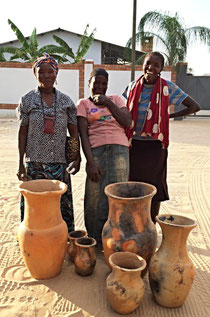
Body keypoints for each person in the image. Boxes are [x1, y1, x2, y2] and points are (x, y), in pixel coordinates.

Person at [124, 51, 200, 223]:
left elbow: (194, 106)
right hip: (133, 145)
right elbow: (122, 109)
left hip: (155, 147)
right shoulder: (132, 87)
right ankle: (134, 224)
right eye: (148, 63)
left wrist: (169, 117)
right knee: (132, 186)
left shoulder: (168, 88)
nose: (151, 68)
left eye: (156, 65)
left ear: (161, 69)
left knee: (155, 187)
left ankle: (151, 224)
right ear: (142, 64)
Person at [16, 53, 80, 233]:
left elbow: (74, 133)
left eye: (50, 71)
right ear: (35, 74)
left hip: (60, 163)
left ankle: (63, 239)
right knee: (35, 205)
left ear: (56, 73)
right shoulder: (27, 100)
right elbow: (23, 133)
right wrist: (21, 164)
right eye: (41, 72)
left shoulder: (66, 102)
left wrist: (77, 157)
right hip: (35, 163)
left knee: (61, 206)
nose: (46, 76)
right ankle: (32, 238)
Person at [77, 68, 132, 246]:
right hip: (97, 151)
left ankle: (114, 239)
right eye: (96, 83)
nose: (100, 87)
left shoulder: (116, 99)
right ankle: (94, 240)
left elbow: (127, 121)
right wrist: (90, 162)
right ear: (89, 84)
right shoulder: (83, 104)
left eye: (104, 84)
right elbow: (83, 135)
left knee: (117, 196)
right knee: (94, 198)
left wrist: (108, 102)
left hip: (119, 150)